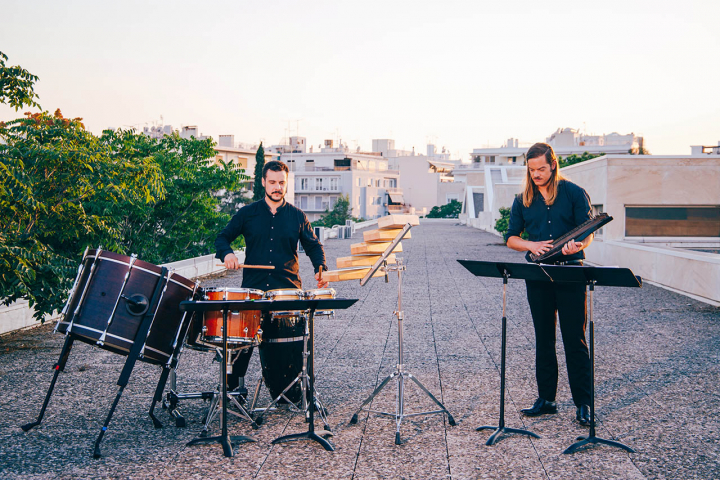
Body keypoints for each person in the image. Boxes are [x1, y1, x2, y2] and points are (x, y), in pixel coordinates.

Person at [214, 160, 328, 394]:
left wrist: (321, 268)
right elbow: (222, 238)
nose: (277, 187)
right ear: (264, 182)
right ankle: (233, 392)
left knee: (289, 347)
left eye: (282, 183)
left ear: (287, 184)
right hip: (254, 292)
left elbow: (314, 247)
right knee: (240, 344)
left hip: (287, 291)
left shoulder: (297, 216)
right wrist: (227, 254)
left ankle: (290, 391)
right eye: (273, 182)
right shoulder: (247, 213)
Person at [504, 142, 593, 426]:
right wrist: (530, 244)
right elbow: (511, 237)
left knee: (575, 341)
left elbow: (588, 232)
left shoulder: (575, 193)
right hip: (539, 274)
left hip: (571, 273)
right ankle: (547, 400)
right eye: (532, 170)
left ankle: (584, 404)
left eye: (541, 168)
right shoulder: (523, 200)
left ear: (553, 164)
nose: (537, 174)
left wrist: (577, 244)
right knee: (544, 340)